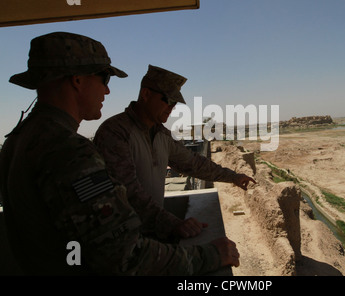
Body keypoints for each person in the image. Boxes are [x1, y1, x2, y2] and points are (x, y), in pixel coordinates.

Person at [0, 32, 239, 275]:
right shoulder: (69, 150)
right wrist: (209, 255)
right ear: (77, 80)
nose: (107, 91)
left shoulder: (19, 139)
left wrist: (232, 176)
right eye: (104, 78)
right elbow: (124, 255)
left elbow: (191, 162)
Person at [94, 65, 256, 241]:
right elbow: (127, 193)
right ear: (146, 94)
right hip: (125, 241)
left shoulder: (161, 135)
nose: (171, 108)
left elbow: (193, 163)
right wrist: (173, 224)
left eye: (174, 103)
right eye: (167, 100)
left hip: (152, 235)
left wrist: (233, 177)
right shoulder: (115, 133)